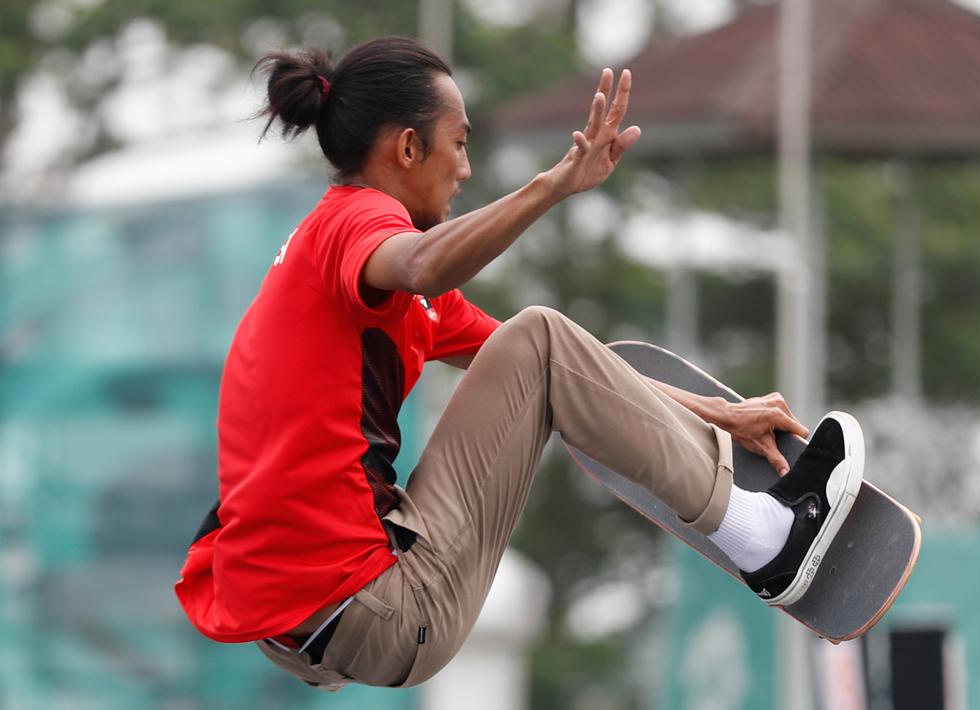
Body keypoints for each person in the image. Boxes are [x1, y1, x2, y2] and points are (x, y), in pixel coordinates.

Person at [175, 36, 865, 691]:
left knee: (536, 345)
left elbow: (561, 371)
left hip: (317, 620)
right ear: (408, 147)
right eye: (459, 144)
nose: (466, 170)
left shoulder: (348, 266)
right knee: (541, 334)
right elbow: (421, 264)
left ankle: (752, 524)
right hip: (374, 605)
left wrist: (719, 411)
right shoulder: (354, 224)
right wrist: (554, 185)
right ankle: (767, 541)